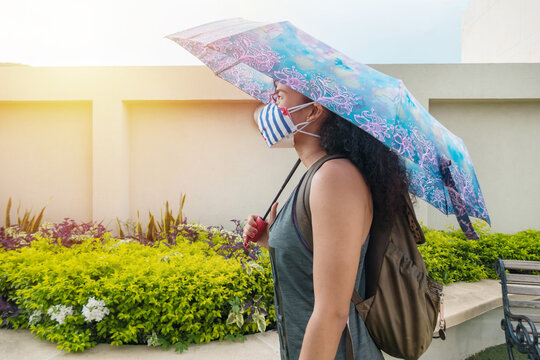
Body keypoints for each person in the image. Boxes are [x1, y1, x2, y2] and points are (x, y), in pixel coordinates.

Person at [243, 82, 409, 360]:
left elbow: (333, 312)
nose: (272, 104)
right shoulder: (320, 173)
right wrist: (272, 239)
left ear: (312, 112)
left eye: (280, 96)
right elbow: (315, 263)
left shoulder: (334, 177)